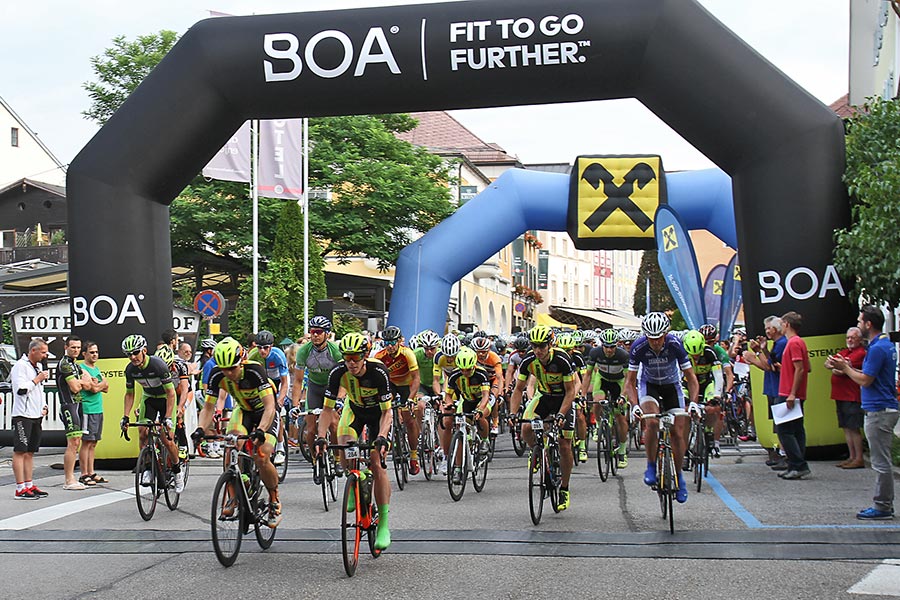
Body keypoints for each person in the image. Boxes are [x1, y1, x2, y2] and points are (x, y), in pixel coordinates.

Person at [193, 337, 283, 528]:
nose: (228, 373)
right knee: (230, 446)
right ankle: (233, 497)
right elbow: (208, 407)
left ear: (241, 361)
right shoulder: (218, 375)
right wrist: (200, 429)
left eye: (232, 368)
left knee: (262, 455)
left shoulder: (254, 371)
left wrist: (260, 431)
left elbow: (269, 407)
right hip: (243, 411)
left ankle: (274, 499)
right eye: (224, 368)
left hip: (265, 413)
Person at [317, 332, 394, 549]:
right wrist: (321, 437)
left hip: (378, 414)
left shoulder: (379, 371)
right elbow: (327, 410)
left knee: (376, 462)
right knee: (344, 443)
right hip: (355, 411)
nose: (351, 363)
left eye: (355, 358)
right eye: (347, 358)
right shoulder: (338, 372)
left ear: (365, 355)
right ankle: (353, 483)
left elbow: (387, 413)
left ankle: (384, 524)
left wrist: (381, 438)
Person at [830, 305, 899, 520]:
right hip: (881, 407)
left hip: (879, 409)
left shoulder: (877, 348)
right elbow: (870, 375)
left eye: (860, 322)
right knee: (881, 460)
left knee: (880, 462)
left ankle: (882, 506)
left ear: (869, 324)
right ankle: (883, 503)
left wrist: (845, 368)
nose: (859, 325)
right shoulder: (883, 345)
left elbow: (866, 380)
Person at [625, 312, 699, 504]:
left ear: (665, 334)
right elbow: (630, 382)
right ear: (646, 335)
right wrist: (634, 406)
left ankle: (679, 477)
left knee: (677, 431)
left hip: (671, 386)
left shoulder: (675, 344)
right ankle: (650, 465)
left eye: (659, 338)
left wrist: (693, 403)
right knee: (651, 423)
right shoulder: (638, 347)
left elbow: (691, 378)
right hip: (649, 385)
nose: (656, 342)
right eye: (651, 338)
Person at [508, 324, 577, 512]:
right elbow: (518, 389)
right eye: (534, 346)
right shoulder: (529, 360)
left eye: (542, 346)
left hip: (563, 399)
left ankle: (564, 488)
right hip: (544, 397)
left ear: (550, 345)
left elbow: (571, 391)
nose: (538, 351)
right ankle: (537, 451)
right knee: (526, 428)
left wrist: (562, 414)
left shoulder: (562, 359)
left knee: (564, 445)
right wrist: (513, 414)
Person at [120, 334, 185, 493]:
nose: (133, 357)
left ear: (144, 350)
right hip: (149, 399)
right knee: (142, 432)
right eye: (129, 354)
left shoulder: (158, 365)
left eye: (135, 352)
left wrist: (168, 417)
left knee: (166, 438)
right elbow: (129, 394)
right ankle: (148, 468)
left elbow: (171, 393)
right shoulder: (130, 369)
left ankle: (177, 470)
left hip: (165, 399)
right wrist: (126, 416)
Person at [292, 316, 342, 458]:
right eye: (312, 331)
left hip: (331, 387)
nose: (315, 335)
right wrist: (295, 405)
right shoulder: (303, 352)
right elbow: (298, 381)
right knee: (311, 428)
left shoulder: (335, 351)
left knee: (333, 425)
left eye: (319, 332)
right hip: (314, 388)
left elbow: (344, 377)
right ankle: (315, 460)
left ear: (327, 333)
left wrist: (339, 398)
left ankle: (338, 459)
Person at [374, 326, 421, 475]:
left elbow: (416, 379)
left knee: (409, 418)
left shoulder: (408, 353)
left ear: (399, 341)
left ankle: (414, 454)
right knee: (384, 410)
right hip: (391, 385)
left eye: (393, 342)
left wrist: (411, 399)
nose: (390, 346)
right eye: (387, 342)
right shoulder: (379, 356)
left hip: (407, 385)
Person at [743, 315, 789, 468]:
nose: (767, 331)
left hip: (778, 388)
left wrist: (753, 357)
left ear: (776, 329)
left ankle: (785, 456)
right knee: (778, 424)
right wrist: (760, 350)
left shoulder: (782, 343)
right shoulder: (776, 343)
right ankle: (783, 454)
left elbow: (770, 366)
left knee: (782, 424)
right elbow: (770, 362)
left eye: (768, 328)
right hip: (773, 387)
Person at [440, 346, 492, 481]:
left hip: (482, 400)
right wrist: (449, 404)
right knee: (460, 431)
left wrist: (480, 409)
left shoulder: (481, 374)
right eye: (462, 370)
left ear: (473, 365)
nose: (465, 372)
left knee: (481, 417)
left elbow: (486, 395)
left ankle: (485, 441)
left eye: (468, 370)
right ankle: (458, 468)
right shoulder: (455, 375)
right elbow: (448, 395)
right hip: (467, 401)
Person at [582, 328, 630, 468]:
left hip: (618, 383)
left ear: (617, 345)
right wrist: (583, 395)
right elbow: (588, 375)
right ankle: (598, 425)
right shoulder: (595, 352)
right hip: (602, 380)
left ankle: (621, 449)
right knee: (597, 402)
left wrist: (623, 396)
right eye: (607, 346)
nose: (609, 350)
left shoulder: (623, 355)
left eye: (612, 347)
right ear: (602, 345)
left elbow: (628, 380)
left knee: (620, 416)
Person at [10, 338, 50, 499]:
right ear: (33, 351)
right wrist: (37, 379)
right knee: (20, 450)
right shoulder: (20, 366)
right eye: (43, 352)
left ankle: (29, 484)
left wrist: (44, 405)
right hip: (23, 415)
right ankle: (20, 488)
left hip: (35, 414)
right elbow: (21, 389)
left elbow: (39, 390)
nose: (45, 355)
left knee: (30, 452)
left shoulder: (37, 367)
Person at [774, 311, 811, 480]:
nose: (780, 327)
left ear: (787, 324)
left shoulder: (793, 343)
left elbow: (801, 368)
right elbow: (806, 367)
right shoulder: (799, 342)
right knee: (796, 429)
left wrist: (792, 393)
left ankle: (798, 463)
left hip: (788, 392)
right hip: (793, 391)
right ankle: (796, 463)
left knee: (784, 430)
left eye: (781, 323)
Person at [823, 327, 866, 469]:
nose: (850, 340)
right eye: (848, 337)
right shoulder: (845, 352)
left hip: (851, 396)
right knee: (846, 427)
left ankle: (858, 457)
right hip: (840, 395)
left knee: (853, 427)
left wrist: (838, 368)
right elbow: (828, 363)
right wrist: (837, 367)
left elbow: (841, 369)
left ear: (860, 339)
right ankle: (851, 456)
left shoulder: (860, 353)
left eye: (853, 337)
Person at [55, 335, 94, 490]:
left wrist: (84, 382)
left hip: (78, 405)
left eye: (78, 348)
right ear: (66, 347)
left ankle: (72, 478)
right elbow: (76, 387)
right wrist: (83, 382)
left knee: (77, 441)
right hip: (68, 405)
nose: (76, 350)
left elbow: (90, 384)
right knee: (73, 442)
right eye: (73, 347)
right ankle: (68, 480)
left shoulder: (76, 365)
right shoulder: (65, 364)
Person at [248, 330, 290, 465]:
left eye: (265, 348)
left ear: (271, 346)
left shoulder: (278, 355)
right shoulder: (253, 355)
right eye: (259, 347)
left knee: (276, 412)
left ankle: (280, 447)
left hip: (277, 383)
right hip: (262, 382)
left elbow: (285, 383)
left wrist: (280, 399)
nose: (262, 351)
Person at [79, 341, 109, 485]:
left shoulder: (96, 368)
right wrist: (99, 384)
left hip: (98, 409)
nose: (95, 354)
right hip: (88, 409)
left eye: (96, 352)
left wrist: (99, 384)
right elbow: (94, 388)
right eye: (91, 352)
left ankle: (91, 472)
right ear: (84, 354)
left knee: (94, 442)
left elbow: (106, 387)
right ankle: (84, 474)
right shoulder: (82, 369)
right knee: (86, 442)